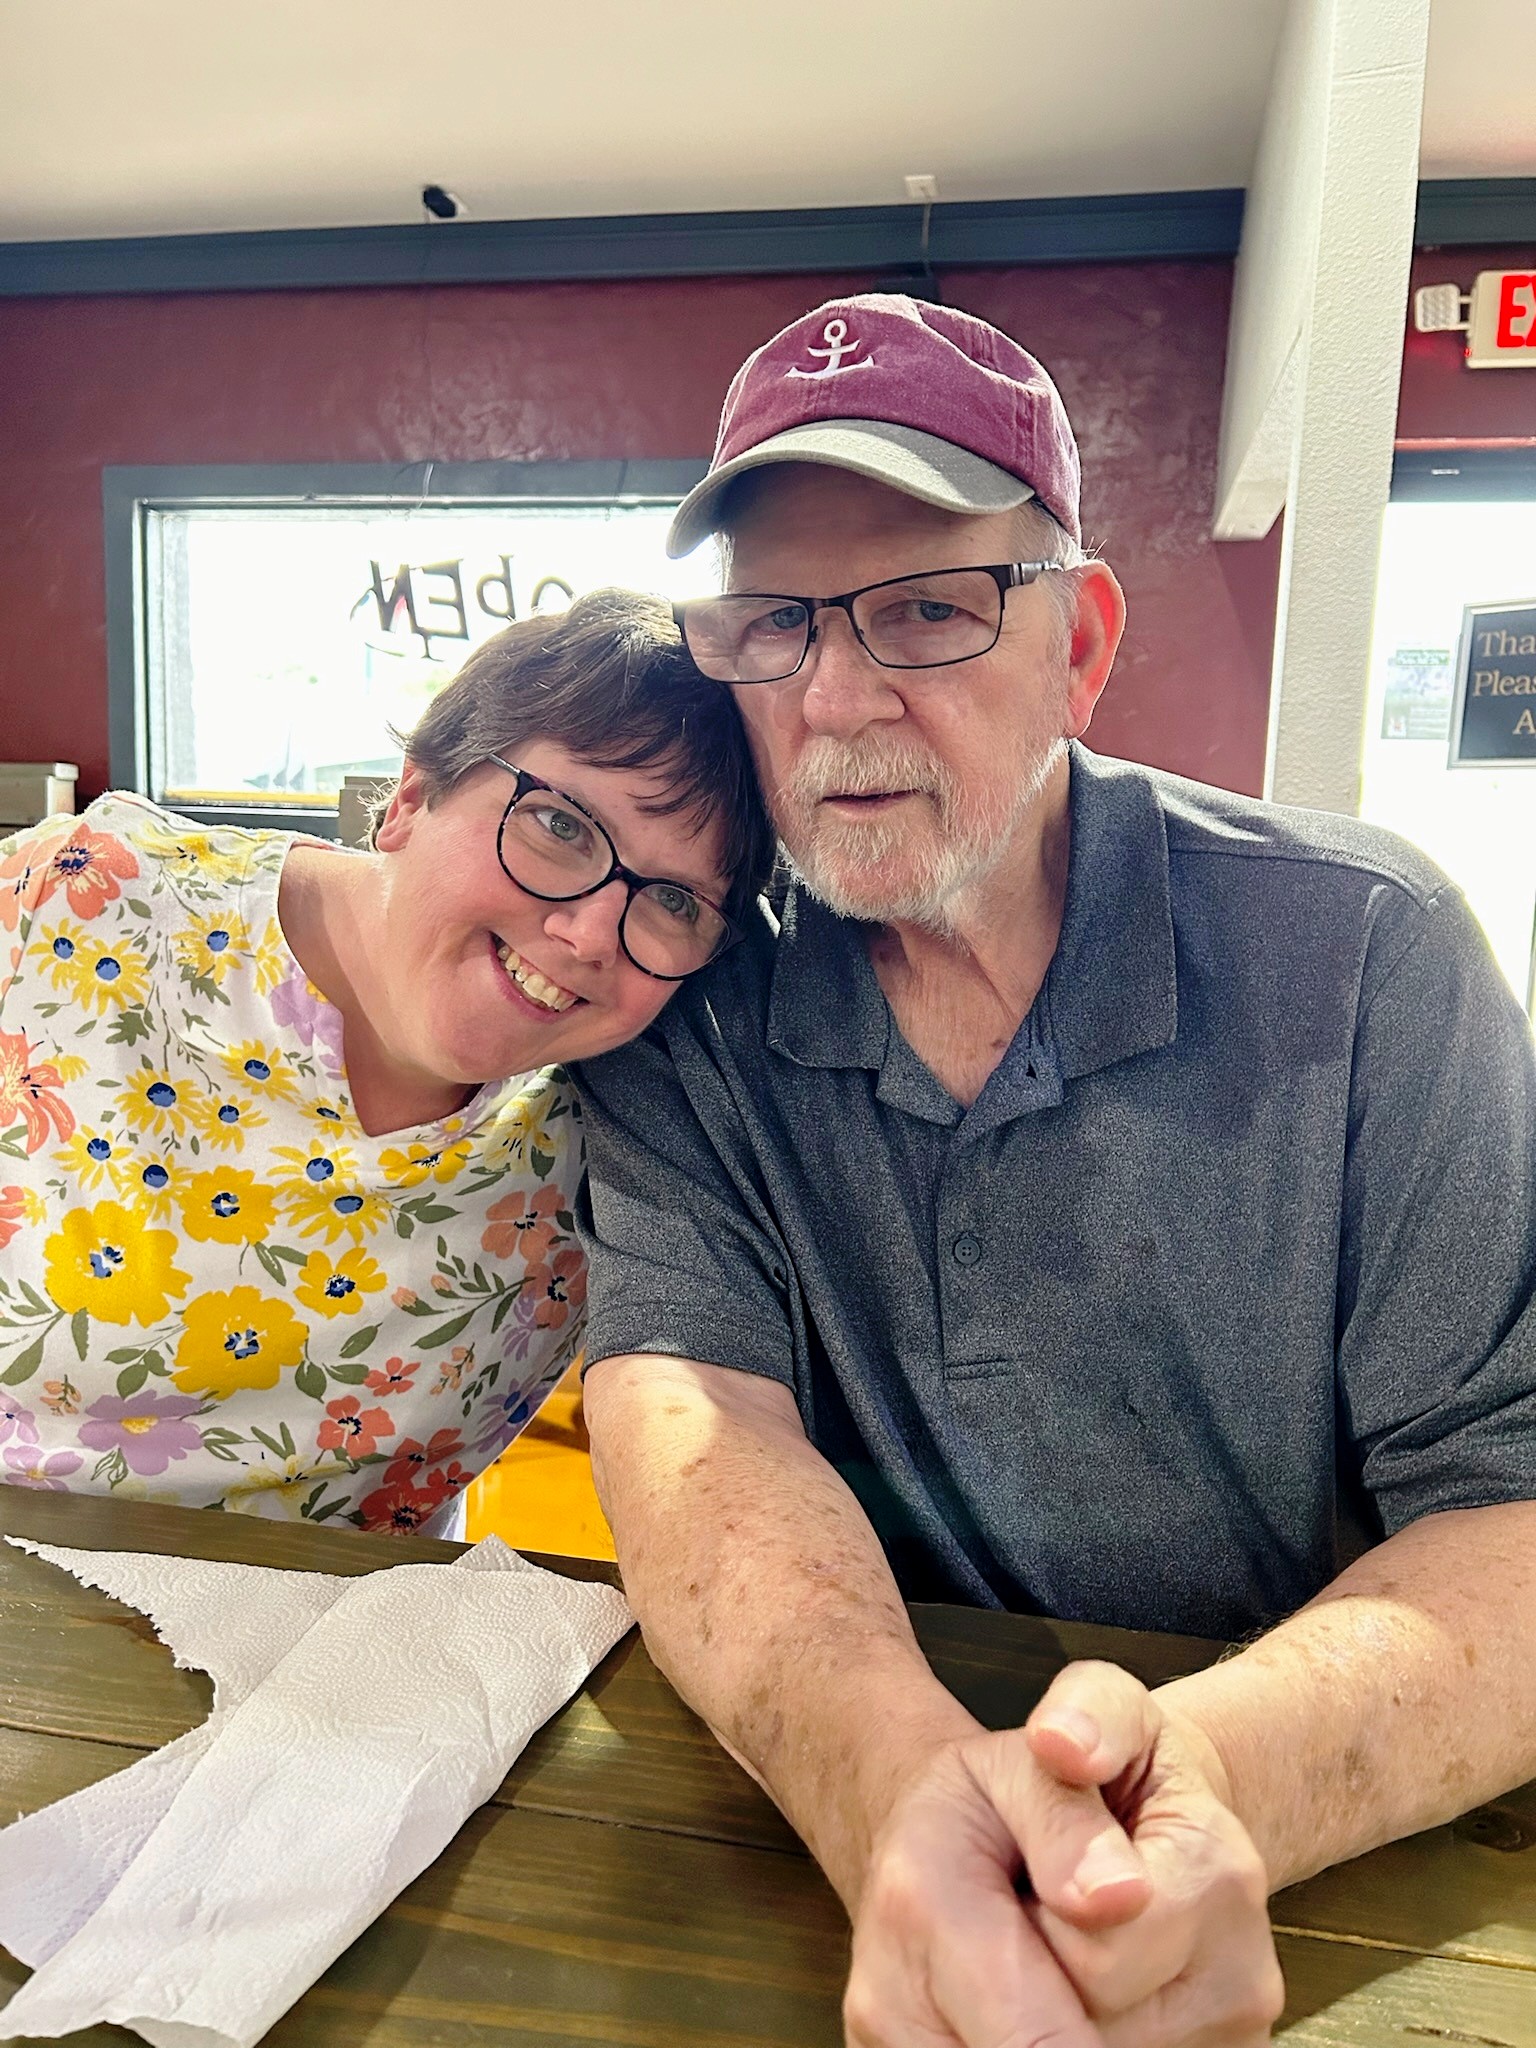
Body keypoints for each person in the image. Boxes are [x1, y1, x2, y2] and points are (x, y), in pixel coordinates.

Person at [570, 297, 1536, 2045]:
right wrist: (896, 1799)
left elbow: (1514, 1505)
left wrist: (1193, 1789)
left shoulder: (1366, 956)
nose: (834, 698)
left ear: (1078, 643)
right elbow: (694, 1425)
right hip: (813, 1860)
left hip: (1321, 1864)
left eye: (929, 607)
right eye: (771, 623)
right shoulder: (683, 988)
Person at [0, 589, 771, 1535]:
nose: (589, 934)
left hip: (345, 1621)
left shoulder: (637, 1102)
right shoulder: (75, 901)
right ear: (410, 798)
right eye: (562, 826)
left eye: (676, 901)